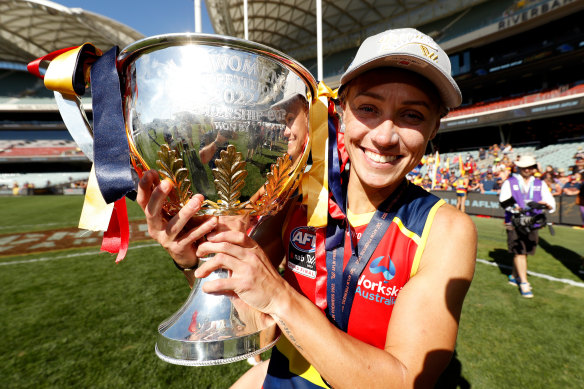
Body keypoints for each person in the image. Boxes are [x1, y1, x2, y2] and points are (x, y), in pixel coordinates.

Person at [138, 28, 476, 388]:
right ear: (341, 110)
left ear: (434, 127)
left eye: (412, 116)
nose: (384, 135)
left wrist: (281, 297)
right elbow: (242, 311)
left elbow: (405, 381)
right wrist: (193, 258)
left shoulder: (445, 230)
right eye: (368, 109)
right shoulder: (300, 197)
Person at [499, 155, 556, 298]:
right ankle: (524, 282)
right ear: (519, 168)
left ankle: (514, 275)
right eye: (524, 167)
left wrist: (547, 205)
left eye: (530, 167)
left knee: (526, 250)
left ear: (533, 169)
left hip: (532, 222)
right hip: (514, 221)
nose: (527, 169)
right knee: (520, 251)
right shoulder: (510, 182)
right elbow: (503, 201)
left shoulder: (539, 183)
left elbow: (550, 202)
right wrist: (515, 208)